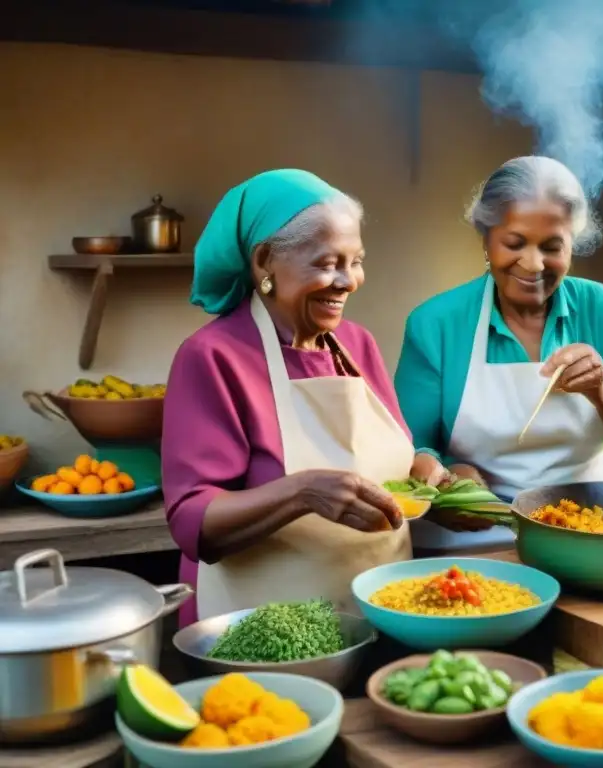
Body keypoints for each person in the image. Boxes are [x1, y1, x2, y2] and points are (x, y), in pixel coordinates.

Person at [162, 169, 448, 627]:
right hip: (265, 631)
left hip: (382, 615)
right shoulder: (212, 358)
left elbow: (390, 459)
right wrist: (303, 493)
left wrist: (421, 469)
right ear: (264, 262)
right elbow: (192, 520)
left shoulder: (357, 345)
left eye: (355, 260)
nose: (349, 280)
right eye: (326, 262)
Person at [394, 155, 603, 551]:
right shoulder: (436, 324)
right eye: (514, 243)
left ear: (572, 245)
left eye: (552, 246)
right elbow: (408, 445)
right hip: (474, 537)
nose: (533, 264)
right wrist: (448, 475)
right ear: (486, 239)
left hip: (591, 530)